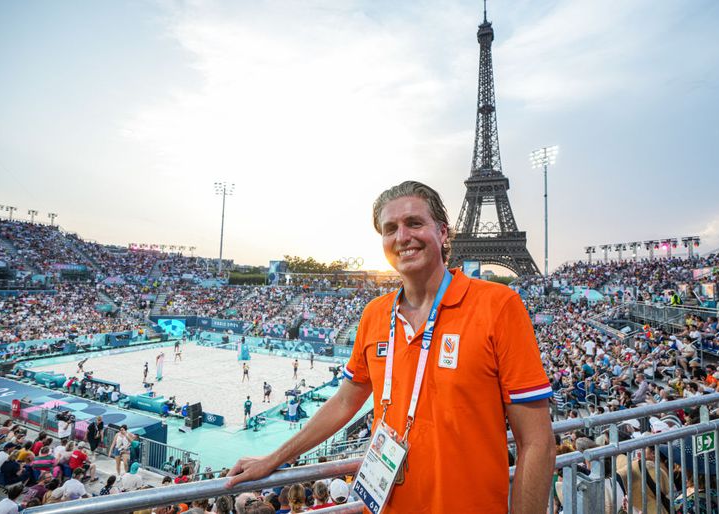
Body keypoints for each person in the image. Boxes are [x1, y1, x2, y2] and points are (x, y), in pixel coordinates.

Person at [227, 181, 555, 513]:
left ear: (443, 232)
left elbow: (537, 440)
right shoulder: (374, 313)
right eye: (390, 229)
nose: (402, 237)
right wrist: (275, 458)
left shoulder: (498, 305)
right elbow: (344, 400)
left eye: (414, 223)